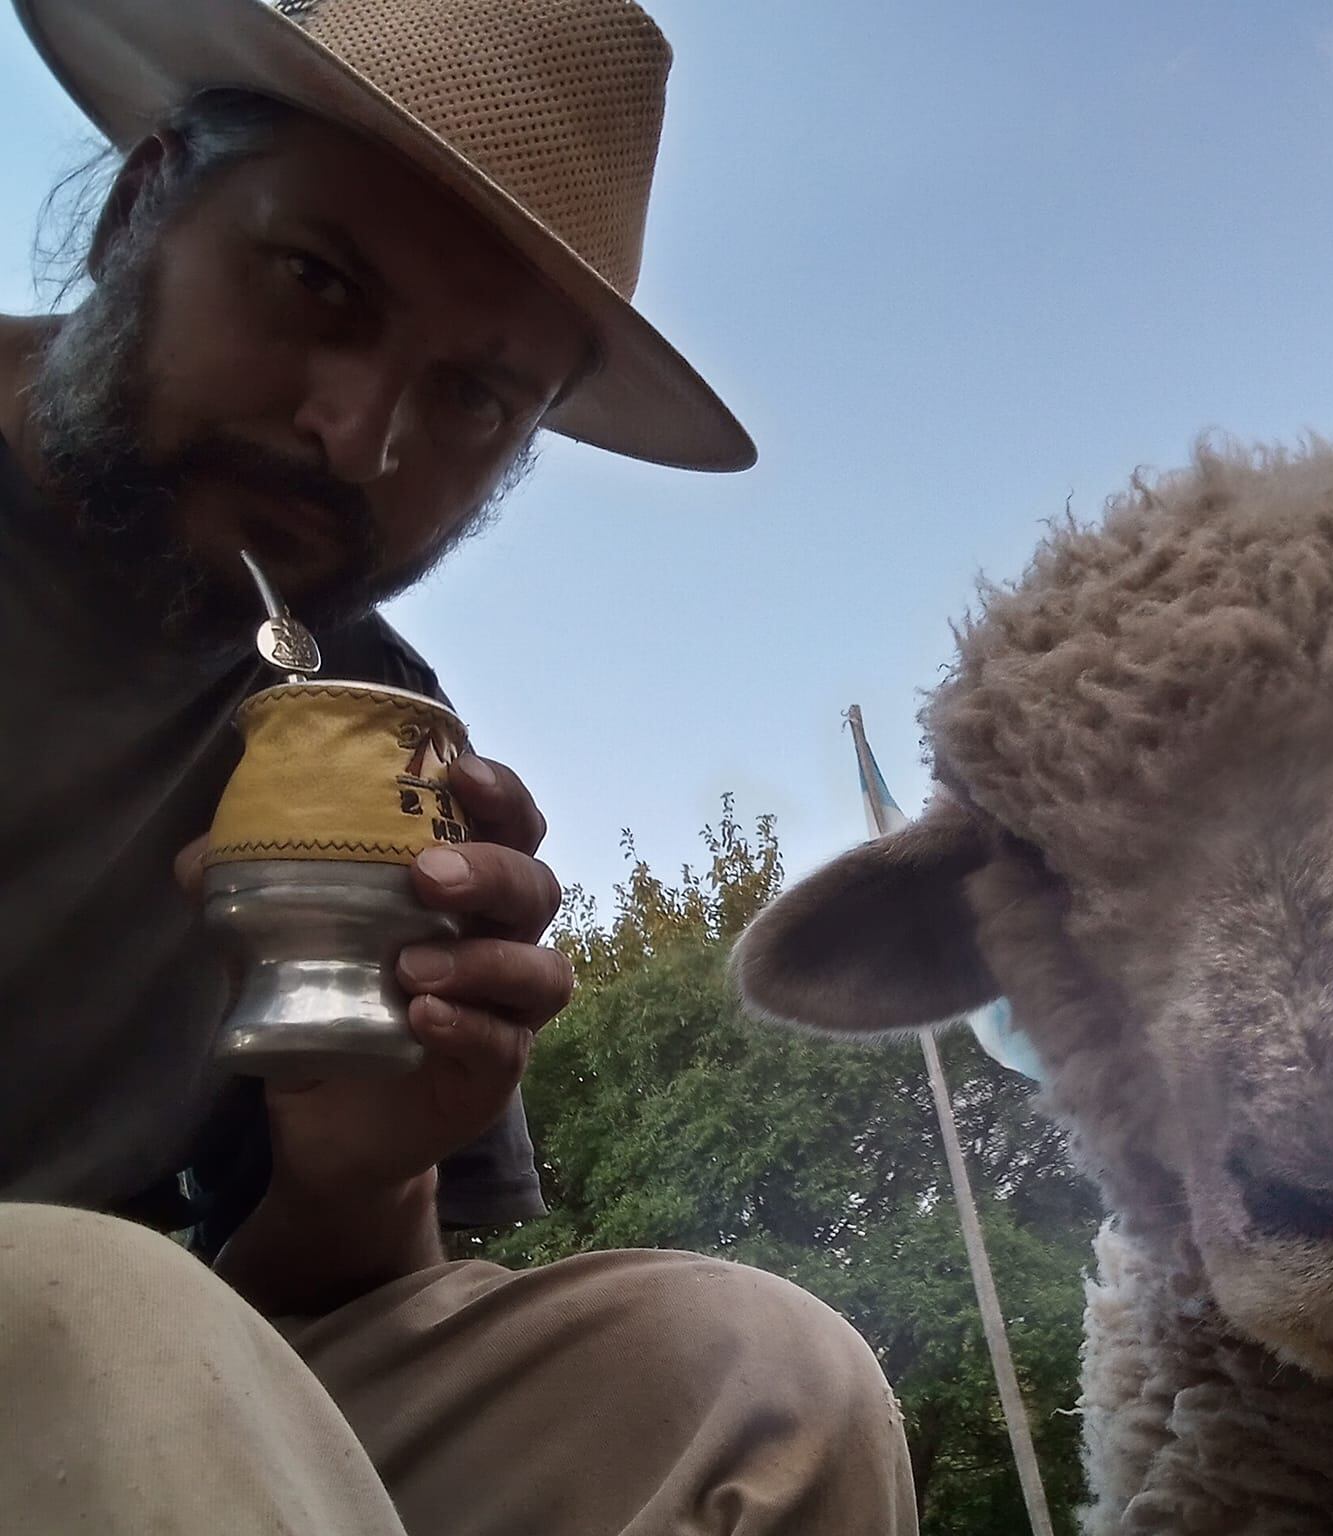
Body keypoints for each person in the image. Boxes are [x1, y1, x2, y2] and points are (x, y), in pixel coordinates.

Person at [0, 0, 918, 1531]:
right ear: (137, 203)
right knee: (90, 1299)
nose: (355, 436)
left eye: (475, 399)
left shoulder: (371, 720)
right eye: (317, 284)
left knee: (763, 1383)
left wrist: (363, 1170)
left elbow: (304, 1338)